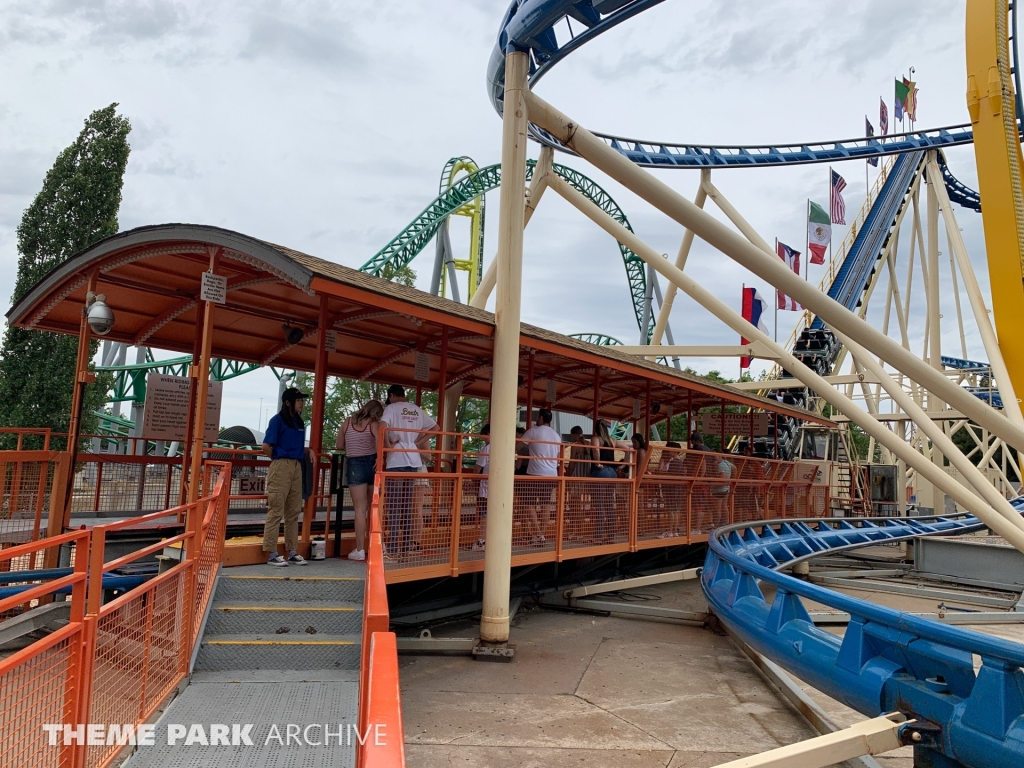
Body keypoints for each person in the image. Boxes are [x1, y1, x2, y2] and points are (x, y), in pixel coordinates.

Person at [381, 384, 437, 555]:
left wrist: (388, 446)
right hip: (413, 461)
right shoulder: (416, 410)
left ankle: (392, 548)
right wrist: (417, 444)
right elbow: (436, 428)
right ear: (403, 394)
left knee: (394, 506)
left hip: (396, 460)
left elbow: (383, 426)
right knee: (407, 505)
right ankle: (405, 546)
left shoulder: (391, 408)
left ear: (391, 395)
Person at [262, 387, 314, 567]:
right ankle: (272, 553)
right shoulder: (277, 421)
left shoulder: (299, 423)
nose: (302, 403)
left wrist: (308, 450)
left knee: (293, 510)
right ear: (288, 402)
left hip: (296, 466)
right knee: (276, 508)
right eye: (298, 400)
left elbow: (295, 446)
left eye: (302, 400)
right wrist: (278, 460)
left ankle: (292, 551)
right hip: (281, 464)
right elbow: (266, 446)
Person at [335, 399, 383, 562]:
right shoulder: (374, 424)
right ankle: (375, 545)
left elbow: (339, 445)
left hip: (354, 463)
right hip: (372, 463)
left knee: (359, 510)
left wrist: (353, 444)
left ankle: (360, 549)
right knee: (373, 508)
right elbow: (379, 444)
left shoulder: (347, 422)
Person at [521, 409, 561, 546]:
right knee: (546, 504)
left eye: (538, 417)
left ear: (542, 418)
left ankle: (538, 534)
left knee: (528, 503)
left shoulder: (533, 431)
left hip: (534, 472)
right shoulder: (556, 436)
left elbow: (518, 445)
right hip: (551, 473)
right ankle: (541, 535)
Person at [590, 419, 631, 543]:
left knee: (599, 504)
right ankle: (610, 536)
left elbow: (596, 450)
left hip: (600, 472)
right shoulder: (612, 440)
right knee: (609, 504)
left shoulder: (596, 439)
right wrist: (623, 465)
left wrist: (597, 463)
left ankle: (598, 536)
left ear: (596, 428)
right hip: (612, 472)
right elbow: (628, 449)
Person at [472, 424, 490, 551]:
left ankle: (482, 541)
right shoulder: (504, 446)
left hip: (486, 486)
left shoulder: (487, 448)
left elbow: (478, 467)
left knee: (484, 514)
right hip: (500, 486)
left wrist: (472, 480)